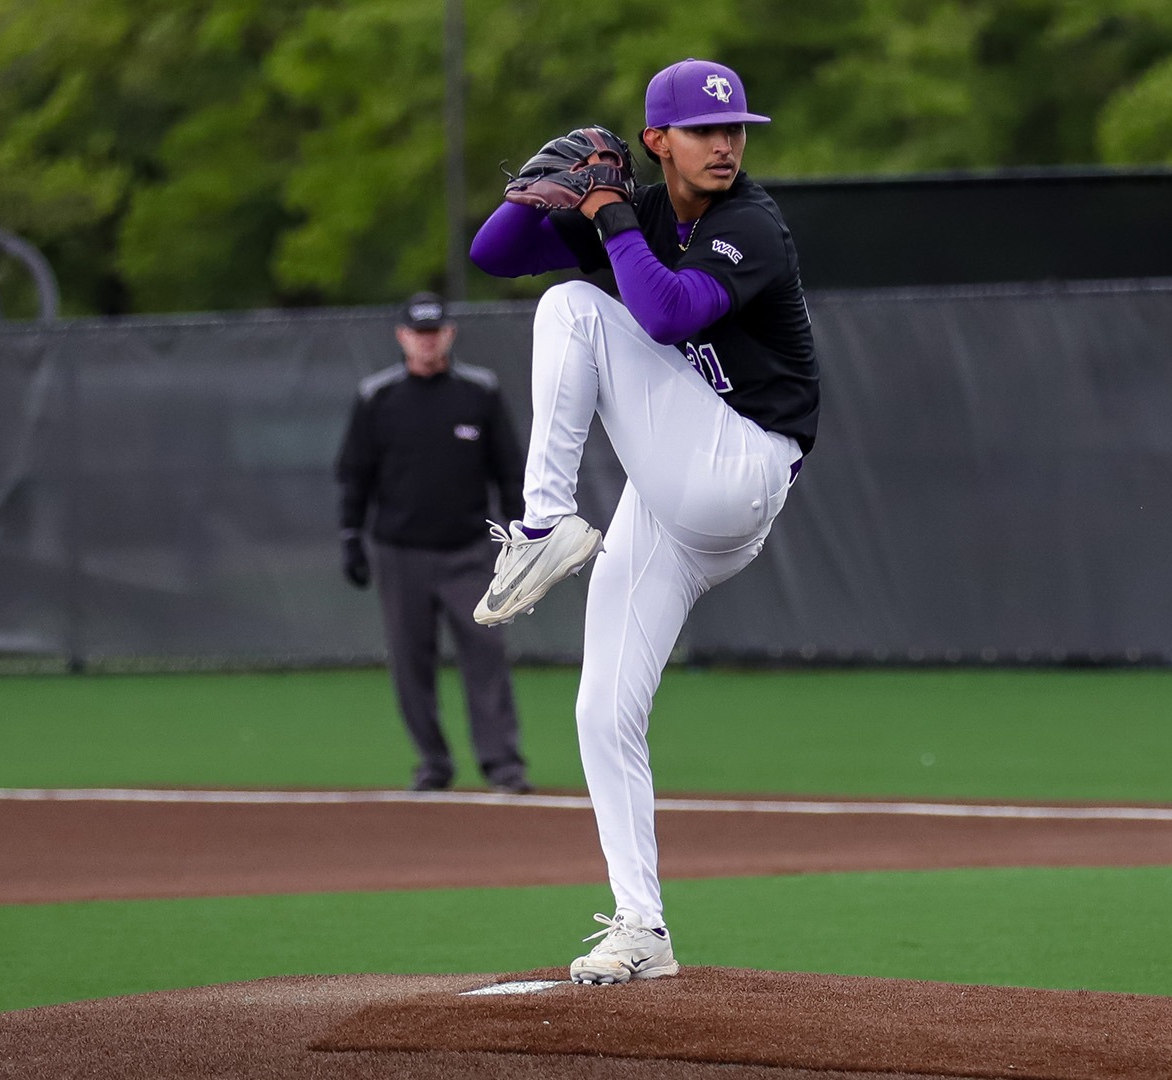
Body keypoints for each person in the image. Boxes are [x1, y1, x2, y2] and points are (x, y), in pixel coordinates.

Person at [468, 59, 819, 983]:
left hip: (740, 468)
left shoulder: (751, 224)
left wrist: (605, 215)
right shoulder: (642, 209)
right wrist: (532, 194)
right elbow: (491, 256)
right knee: (600, 710)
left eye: (737, 127)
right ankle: (642, 928)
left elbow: (663, 317)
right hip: (669, 491)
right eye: (707, 130)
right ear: (658, 140)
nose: (728, 143)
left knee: (574, 310)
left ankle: (544, 523)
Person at [335, 292, 533, 795]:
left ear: (450, 334)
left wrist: (520, 538)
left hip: (468, 550)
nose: (427, 342)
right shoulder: (377, 397)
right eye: (418, 333)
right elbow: (355, 476)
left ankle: (502, 765)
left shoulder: (479, 393)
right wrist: (351, 538)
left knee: (486, 653)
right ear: (402, 336)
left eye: (435, 332)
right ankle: (433, 762)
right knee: (409, 662)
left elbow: (509, 473)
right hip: (400, 553)